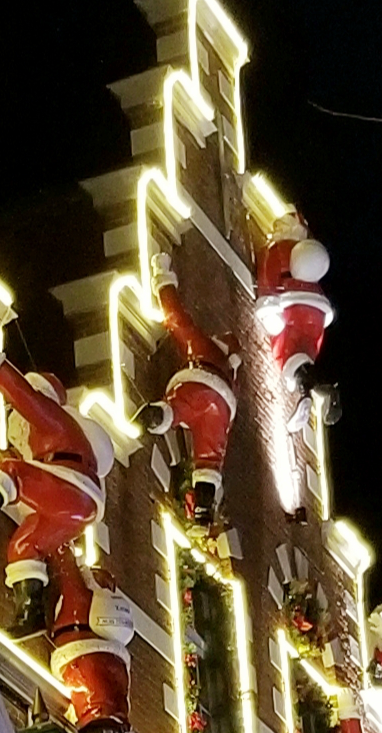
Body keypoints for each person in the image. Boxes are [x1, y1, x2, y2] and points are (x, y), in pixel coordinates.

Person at [0, 318, 116, 635]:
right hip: (76, 508)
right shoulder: (50, 445)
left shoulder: (53, 420)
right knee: (25, 544)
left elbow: (25, 397)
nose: (16, 417)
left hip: (72, 485)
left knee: (13, 473)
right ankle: (30, 613)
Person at [136, 252, 240, 527]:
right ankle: (204, 505)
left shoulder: (203, 349)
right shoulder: (230, 373)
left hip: (200, 384)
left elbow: (178, 320)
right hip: (221, 409)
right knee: (209, 458)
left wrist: (163, 280)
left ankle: (158, 416)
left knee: (179, 405)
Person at [47, 548, 135, 733]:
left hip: (82, 657)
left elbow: (66, 568)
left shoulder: (84, 596)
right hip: (116, 663)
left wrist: (64, 551)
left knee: (96, 706)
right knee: (117, 705)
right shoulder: (110, 609)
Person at [254, 211, 333, 386]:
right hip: (312, 311)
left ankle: (302, 375)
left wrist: (268, 303)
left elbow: (269, 275)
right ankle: (304, 376)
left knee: (290, 343)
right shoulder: (291, 255)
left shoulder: (278, 250)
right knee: (303, 346)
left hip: (291, 306)